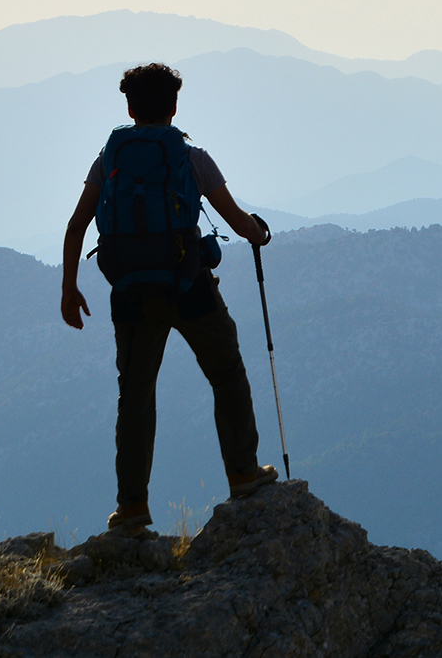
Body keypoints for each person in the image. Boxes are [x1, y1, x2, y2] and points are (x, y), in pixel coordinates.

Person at [60, 63, 278, 536]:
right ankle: (242, 473)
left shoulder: (108, 159)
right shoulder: (191, 157)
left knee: (135, 396)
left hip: (132, 292)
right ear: (174, 106)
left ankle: (132, 508)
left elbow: (78, 225)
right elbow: (238, 222)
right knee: (226, 372)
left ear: (131, 107)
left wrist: (69, 288)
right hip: (187, 284)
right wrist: (259, 232)